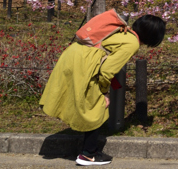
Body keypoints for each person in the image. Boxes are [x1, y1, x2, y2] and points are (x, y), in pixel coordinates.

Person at [39, 13, 166, 166]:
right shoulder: (132, 43)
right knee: (97, 106)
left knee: (86, 102)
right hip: (84, 64)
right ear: (153, 36)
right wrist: (104, 92)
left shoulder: (122, 31)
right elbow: (106, 70)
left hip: (74, 55)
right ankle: (88, 154)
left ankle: (88, 149)